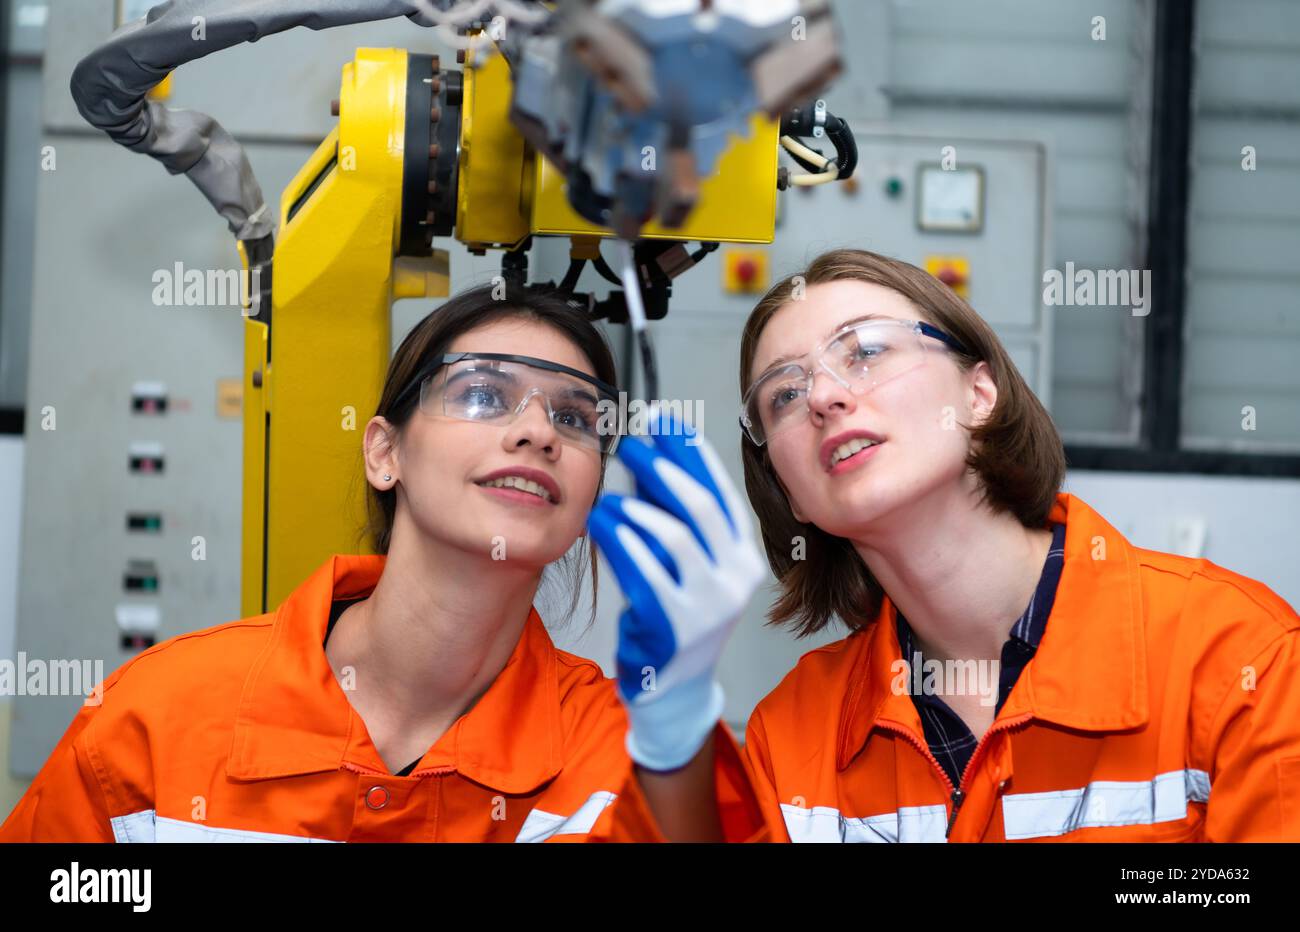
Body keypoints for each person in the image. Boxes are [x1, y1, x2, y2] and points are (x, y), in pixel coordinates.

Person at [0, 283, 767, 843]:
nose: (538, 432)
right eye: (483, 395)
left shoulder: (623, 756)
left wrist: (678, 733)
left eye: (573, 415)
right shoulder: (158, 718)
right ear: (384, 451)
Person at [727, 247, 1300, 842]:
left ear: (979, 395)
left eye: (865, 351)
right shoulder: (790, 737)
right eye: (784, 395)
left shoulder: (1236, 658)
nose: (823, 396)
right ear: (789, 493)